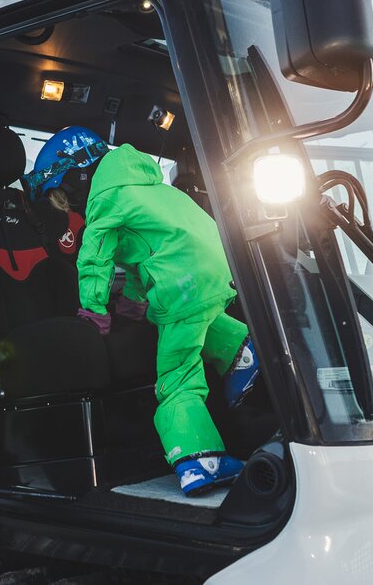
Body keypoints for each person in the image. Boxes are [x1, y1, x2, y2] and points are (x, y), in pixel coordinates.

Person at [23, 126, 260, 496]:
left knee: (177, 378)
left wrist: (95, 312)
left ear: (76, 178)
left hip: (182, 284)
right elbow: (146, 253)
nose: (69, 208)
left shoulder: (104, 199)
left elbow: (94, 258)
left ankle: (199, 459)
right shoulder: (145, 186)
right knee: (199, 319)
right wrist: (134, 302)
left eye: (63, 197)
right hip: (216, 272)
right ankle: (240, 353)